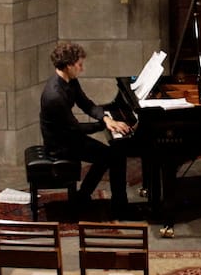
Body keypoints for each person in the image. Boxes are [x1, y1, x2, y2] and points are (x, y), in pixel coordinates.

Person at [39, 41, 133, 218]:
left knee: (109, 155)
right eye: (79, 65)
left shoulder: (70, 81)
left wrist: (105, 118)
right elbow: (75, 129)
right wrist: (104, 124)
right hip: (59, 144)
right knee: (113, 156)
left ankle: (84, 196)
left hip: (67, 136)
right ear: (68, 66)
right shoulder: (55, 95)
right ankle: (118, 207)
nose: (82, 69)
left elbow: (86, 104)